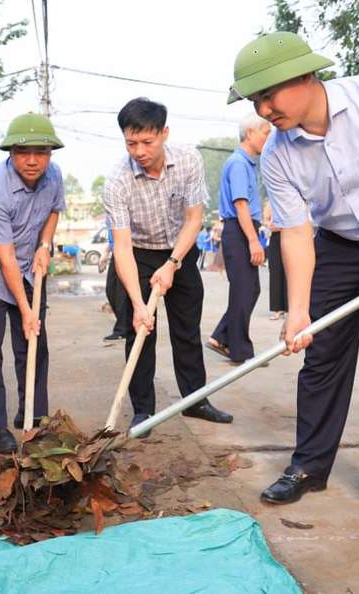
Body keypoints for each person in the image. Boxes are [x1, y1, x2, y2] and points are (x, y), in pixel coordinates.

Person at [229, 32, 359, 528]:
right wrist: (299, 310)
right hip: (339, 246)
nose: (263, 110)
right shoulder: (278, 155)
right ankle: (308, 466)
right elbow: (298, 235)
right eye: (255, 101)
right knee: (321, 356)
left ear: (305, 76)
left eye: (269, 95)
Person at [102, 97, 233, 437]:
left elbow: (194, 219)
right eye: (131, 143)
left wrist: (173, 263)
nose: (140, 151)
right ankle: (143, 410)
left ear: (164, 133)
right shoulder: (117, 180)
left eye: (147, 141)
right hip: (140, 255)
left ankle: (195, 399)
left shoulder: (188, 160)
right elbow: (123, 246)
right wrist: (136, 301)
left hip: (181, 250)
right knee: (141, 331)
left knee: (187, 329)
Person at [0, 113, 64, 454]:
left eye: (42, 151)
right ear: (11, 152)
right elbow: (4, 258)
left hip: (29, 265)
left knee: (35, 346)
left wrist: (45, 245)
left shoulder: (53, 175)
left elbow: (54, 210)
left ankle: (35, 418)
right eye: (25, 152)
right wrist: (25, 309)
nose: (34, 160)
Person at [207, 114, 271, 364]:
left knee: (249, 289)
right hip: (239, 229)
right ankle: (239, 349)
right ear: (250, 133)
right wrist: (254, 241)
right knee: (244, 289)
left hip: (241, 229)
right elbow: (241, 204)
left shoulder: (244, 163)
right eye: (265, 132)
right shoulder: (238, 163)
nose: (268, 138)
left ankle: (222, 336)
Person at [99, 216, 129, 342]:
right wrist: (105, 255)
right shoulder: (110, 214)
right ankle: (124, 324)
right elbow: (111, 239)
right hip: (115, 252)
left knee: (121, 293)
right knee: (110, 290)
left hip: (126, 252)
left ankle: (122, 329)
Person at [264, 202, 287, 320]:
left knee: (290, 273)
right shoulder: (270, 203)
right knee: (275, 272)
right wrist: (270, 224)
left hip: (291, 236)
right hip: (276, 238)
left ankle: (290, 308)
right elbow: (266, 220)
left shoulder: (292, 199)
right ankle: (278, 309)